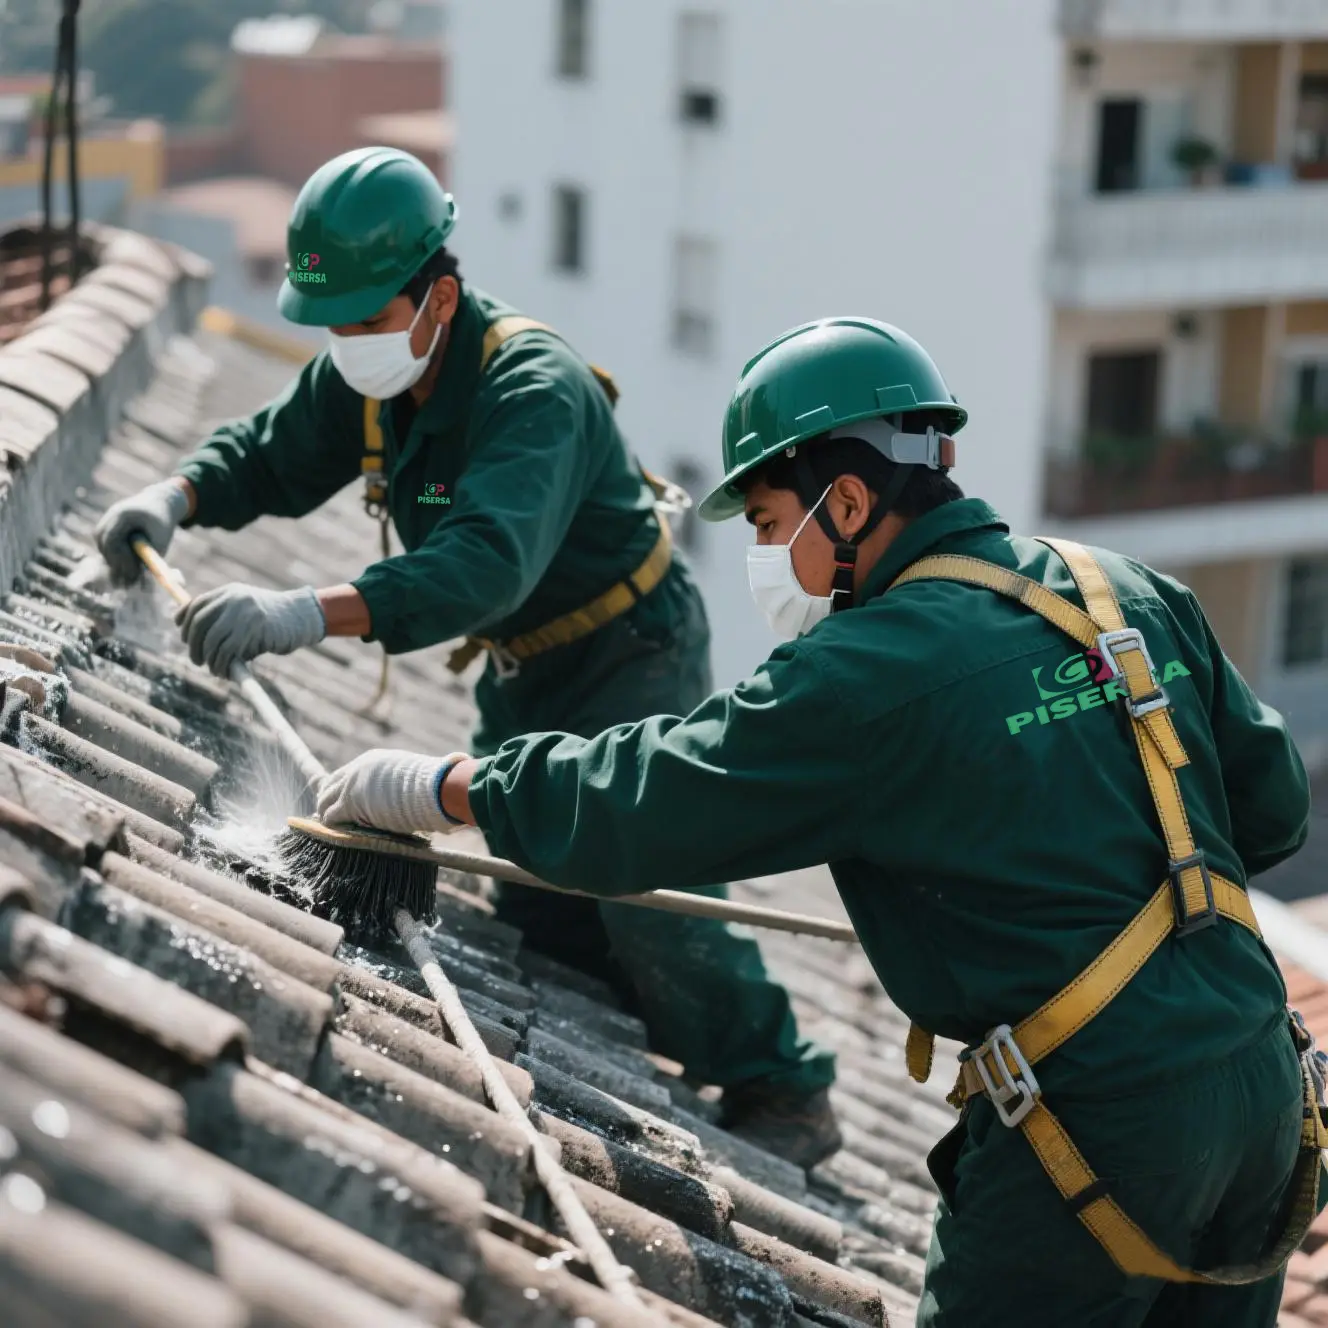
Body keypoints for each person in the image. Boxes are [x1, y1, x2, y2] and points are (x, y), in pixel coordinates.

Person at [315, 315, 1328, 1326]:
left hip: (1101, 1123)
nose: (763, 557)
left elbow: (657, 793)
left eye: (765, 524)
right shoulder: (1126, 593)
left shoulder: (867, 669)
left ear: (845, 501)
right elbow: (1271, 806)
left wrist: (451, 786)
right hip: (1259, 1092)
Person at [93, 146, 838, 1169]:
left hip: (629, 650)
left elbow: (482, 566)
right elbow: (269, 450)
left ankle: (779, 1083)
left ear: (437, 293)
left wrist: (304, 612)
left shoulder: (534, 389)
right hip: (525, 664)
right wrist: (173, 498)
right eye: (332, 323)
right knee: (534, 897)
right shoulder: (368, 372)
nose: (346, 344)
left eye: (364, 319)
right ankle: (636, 1015)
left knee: (634, 877)